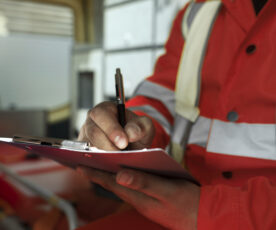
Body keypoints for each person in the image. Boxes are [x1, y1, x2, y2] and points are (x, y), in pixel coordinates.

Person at [77, 0, 276, 229]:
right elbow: (164, 95)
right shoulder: (198, 11)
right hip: (180, 206)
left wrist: (211, 212)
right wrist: (133, 128)